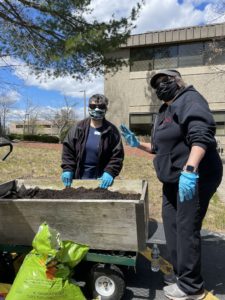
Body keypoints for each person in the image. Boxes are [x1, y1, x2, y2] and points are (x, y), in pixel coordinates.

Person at [120, 69, 223, 300]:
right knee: (172, 226)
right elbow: (158, 148)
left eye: (165, 81)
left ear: (178, 81)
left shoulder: (190, 99)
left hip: (195, 176)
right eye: (155, 84)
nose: (160, 87)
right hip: (172, 179)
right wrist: (137, 144)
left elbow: (201, 134)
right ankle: (180, 274)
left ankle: (191, 287)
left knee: (187, 228)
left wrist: (190, 169)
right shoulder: (164, 110)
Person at [61, 93, 124, 189]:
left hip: (101, 181)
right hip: (78, 179)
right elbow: (68, 149)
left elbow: (117, 155)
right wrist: (67, 168)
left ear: (106, 109)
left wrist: (110, 171)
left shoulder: (112, 131)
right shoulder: (78, 128)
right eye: (93, 106)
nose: (97, 109)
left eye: (101, 106)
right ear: (88, 107)